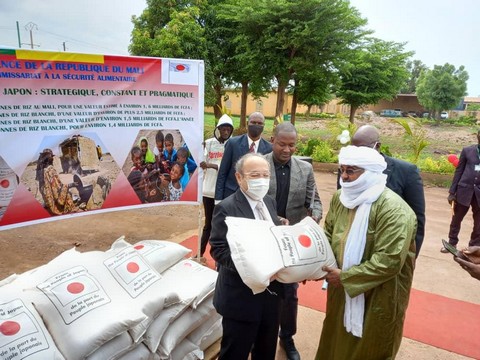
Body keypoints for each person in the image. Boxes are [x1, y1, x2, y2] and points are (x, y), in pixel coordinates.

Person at [316, 145, 416, 360]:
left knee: (370, 347)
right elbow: (328, 234)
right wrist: (312, 264)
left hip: (379, 295)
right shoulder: (340, 198)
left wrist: (344, 277)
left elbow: (389, 261)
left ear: (370, 173)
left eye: (351, 170)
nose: (344, 176)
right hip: (341, 289)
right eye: (341, 170)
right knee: (335, 340)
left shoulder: (394, 209)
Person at [209, 153, 284, 360]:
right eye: (254, 175)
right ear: (239, 177)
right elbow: (219, 250)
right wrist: (255, 269)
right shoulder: (226, 208)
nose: (261, 180)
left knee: (265, 350)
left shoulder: (269, 202)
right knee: (235, 352)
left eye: (265, 175)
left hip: (272, 296)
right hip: (241, 298)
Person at [264, 122, 322, 360]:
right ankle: (262, 334)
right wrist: (274, 219)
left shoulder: (305, 170)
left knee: (290, 293)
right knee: (263, 288)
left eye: (292, 145)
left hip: (293, 243)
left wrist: (315, 217)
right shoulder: (258, 165)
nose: (287, 150)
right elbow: (250, 200)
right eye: (281, 144)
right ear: (272, 140)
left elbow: (315, 200)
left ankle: (287, 337)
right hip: (265, 237)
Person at [351, 124, 425, 257]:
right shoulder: (348, 171)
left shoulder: (406, 171)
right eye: (354, 149)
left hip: (388, 249)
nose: (358, 153)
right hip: (353, 247)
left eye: (363, 148)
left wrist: (410, 258)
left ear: (377, 146)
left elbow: (417, 220)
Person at [215, 112, 272, 201]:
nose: (256, 125)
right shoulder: (233, 143)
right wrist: (218, 199)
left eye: (260, 123)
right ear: (247, 123)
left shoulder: (269, 148)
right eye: (253, 122)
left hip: (257, 198)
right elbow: (222, 172)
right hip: (232, 195)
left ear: (264, 126)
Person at [199, 114, 234, 258]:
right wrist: (201, 151)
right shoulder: (209, 143)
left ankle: (218, 258)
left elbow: (229, 167)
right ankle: (199, 253)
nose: (226, 132)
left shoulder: (233, 145)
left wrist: (211, 165)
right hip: (208, 190)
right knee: (208, 224)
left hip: (224, 193)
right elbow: (201, 162)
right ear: (218, 129)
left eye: (228, 130)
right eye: (223, 129)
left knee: (221, 225)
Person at [442, 129, 480, 252]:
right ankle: (452, 244)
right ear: (478, 136)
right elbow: (459, 171)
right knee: (456, 219)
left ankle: (474, 246)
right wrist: (452, 193)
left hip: (479, 194)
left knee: (479, 223)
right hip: (464, 190)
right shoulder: (468, 151)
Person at [35, 148, 79, 215]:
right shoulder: (50, 170)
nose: (52, 159)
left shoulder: (40, 171)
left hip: (48, 202)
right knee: (68, 194)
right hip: (55, 205)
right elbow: (58, 191)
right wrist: (71, 185)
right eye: (51, 157)